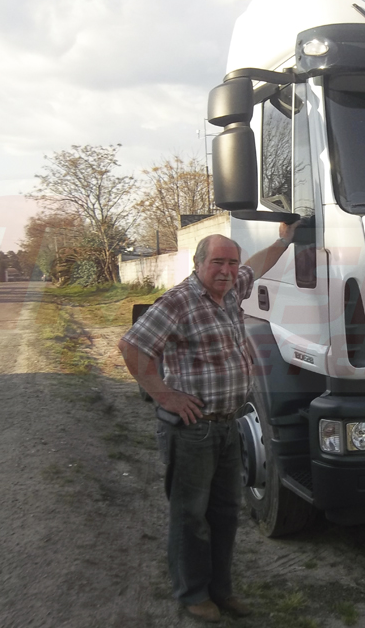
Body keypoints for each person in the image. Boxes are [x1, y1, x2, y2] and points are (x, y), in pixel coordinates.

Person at [118, 223, 298, 623]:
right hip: (192, 430)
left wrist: (285, 240)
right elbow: (132, 345)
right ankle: (192, 593)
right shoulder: (179, 302)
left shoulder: (231, 289)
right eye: (217, 262)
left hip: (227, 425)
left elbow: (257, 265)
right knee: (190, 516)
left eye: (231, 263)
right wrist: (164, 394)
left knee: (225, 513)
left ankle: (221, 591)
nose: (227, 270)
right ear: (198, 263)